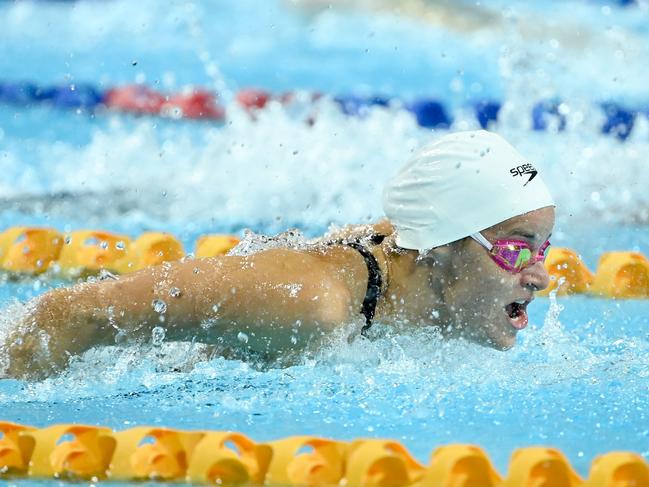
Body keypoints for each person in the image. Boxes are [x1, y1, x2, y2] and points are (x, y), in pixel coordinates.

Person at [1, 130, 555, 380]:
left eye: (543, 249)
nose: (541, 277)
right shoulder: (313, 303)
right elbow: (77, 313)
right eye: (515, 250)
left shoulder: (413, 252)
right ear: (440, 247)